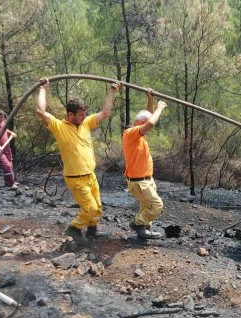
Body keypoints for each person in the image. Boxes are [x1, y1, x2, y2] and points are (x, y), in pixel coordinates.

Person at [35, 79, 122, 245]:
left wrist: (111, 93)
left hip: (91, 175)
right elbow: (40, 111)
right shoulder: (59, 126)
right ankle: (74, 228)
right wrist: (42, 89)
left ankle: (92, 231)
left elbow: (105, 113)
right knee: (90, 208)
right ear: (70, 115)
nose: (84, 117)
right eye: (80, 115)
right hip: (75, 178)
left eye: (84, 114)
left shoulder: (86, 123)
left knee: (98, 208)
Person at [122, 90, 166, 239]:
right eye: (145, 125)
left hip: (146, 180)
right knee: (157, 205)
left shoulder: (139, 134)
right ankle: (137, 224)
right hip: (139, 182)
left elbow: (148, 116)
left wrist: (150, 99)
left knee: (146, 207)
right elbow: (151, 122)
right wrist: (160, 108)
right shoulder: (131, 133)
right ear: (141, 124)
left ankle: (144, 230)